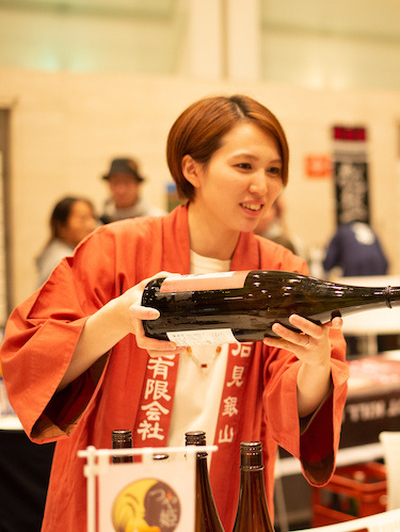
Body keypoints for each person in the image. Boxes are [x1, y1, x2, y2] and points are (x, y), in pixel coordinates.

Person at [0, 95, 349, 531]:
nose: (263, 185)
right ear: (192, 169)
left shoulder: (281, 270)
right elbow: (29, 357)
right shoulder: (116, 248)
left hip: (222, 492)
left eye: (274, 170)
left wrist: (315, 363)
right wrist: (113, 321)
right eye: (244, 166)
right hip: (115, 497)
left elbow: (299, 399)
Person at [35, 196, 97, 286]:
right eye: (82, 219)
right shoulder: (62, 259)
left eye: (92, 217)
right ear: (61, 225)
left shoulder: (65, 251)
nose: (91, 225)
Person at [98, 156, 166, 223]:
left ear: (138, 185)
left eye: (127, 182)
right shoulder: (99, 222)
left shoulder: (157, 220)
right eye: (116, 182)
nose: (121, 190)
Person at [323, 221, 389, 278]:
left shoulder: (341, 231)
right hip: (379, 267)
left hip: (355, 267)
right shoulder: (370, 229)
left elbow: (328, 261)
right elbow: (385, 262)